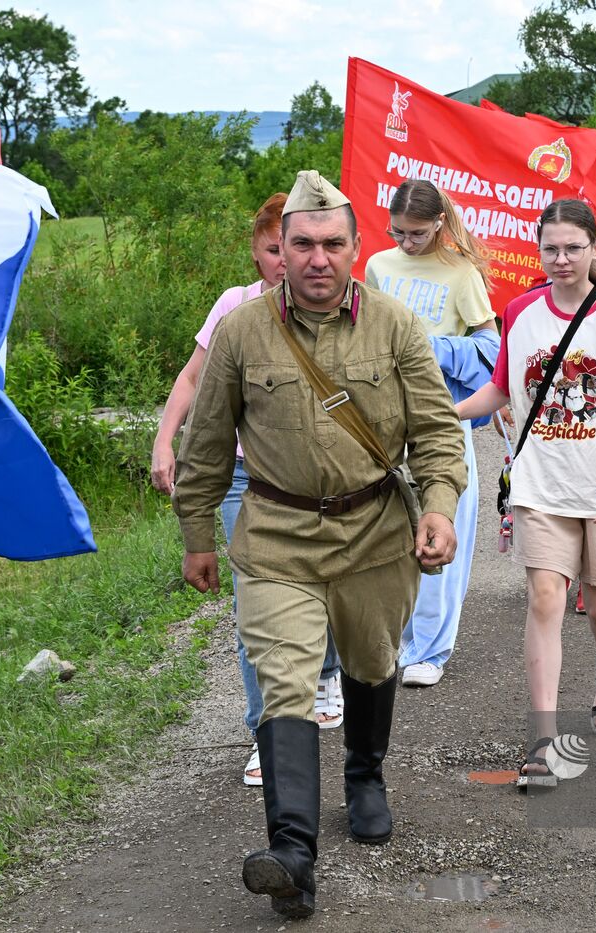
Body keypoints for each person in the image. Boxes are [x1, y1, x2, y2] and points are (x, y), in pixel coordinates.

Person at [172, 171, 467, 919]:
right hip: (277, 538)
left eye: (332, 243)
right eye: (300, 243)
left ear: (354, 249)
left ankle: (365, 775)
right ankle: (293, 854)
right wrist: (197, 533)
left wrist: (439, 505)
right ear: (280, 252)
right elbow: (205, 443)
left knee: (372, 662)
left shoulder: (395, 325)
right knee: (285, 681)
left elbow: (436, 431)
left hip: (374, 535)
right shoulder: (241, 331)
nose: (315, 258)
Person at [454, 200, 596, 786]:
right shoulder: (519, 311)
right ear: (538, 250)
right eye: (551, 248)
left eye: (574, 247)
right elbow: (500, 390)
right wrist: (448, 416)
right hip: (541, 483)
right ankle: (542, 743)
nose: (562, 259)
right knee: (545, 597)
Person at [150, 193, 343, 792]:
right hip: (242, 475)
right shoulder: (234, 310)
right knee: (252, 604)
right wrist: (166, 441)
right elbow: (191, 377)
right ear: (263, 251)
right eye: (275, 249)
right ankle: (268, 734)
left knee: (327, 587)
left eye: (312, 246)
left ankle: (327, 669)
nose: (289, 262)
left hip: (315, 479)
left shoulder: (337, 309)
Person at [364, 179, 496, 688]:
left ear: (439, 223)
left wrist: (432, 348)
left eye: (416, 233)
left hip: (441, 418)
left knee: (441, 530)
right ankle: (394, 637)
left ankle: (432, 650)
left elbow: (489, 348)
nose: (406, 243)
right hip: (381, 421)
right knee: (387, 534)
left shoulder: (461, 273)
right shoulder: (378, 266)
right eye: (397, 232)